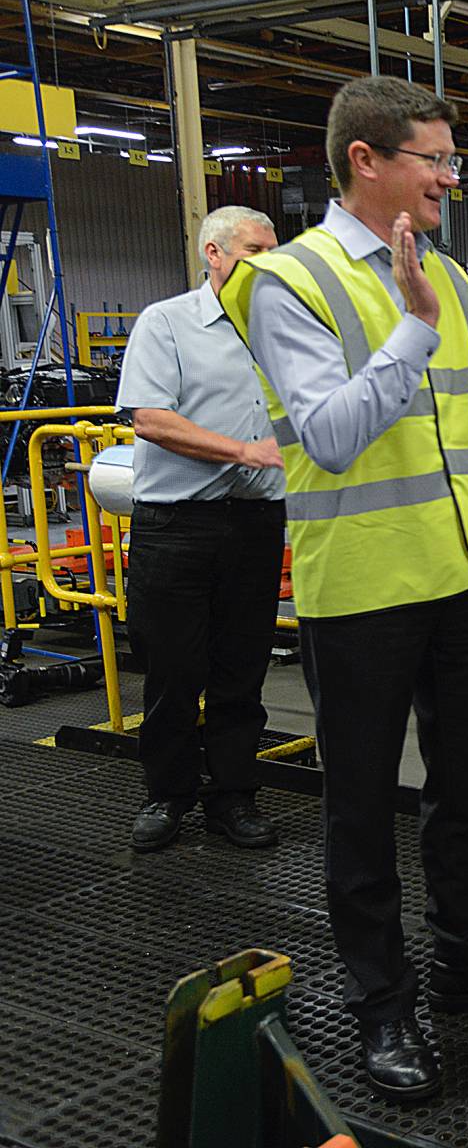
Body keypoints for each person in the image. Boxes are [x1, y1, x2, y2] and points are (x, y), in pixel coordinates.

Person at [220, 76, 468, 1103]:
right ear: (367, 162)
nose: (449, 178)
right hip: (365, 585)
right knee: (361, 807)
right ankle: (382, 1003)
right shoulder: (288, 280)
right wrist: (415, 326)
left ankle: (467, 963)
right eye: (435, 159)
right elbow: (330, 437)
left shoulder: (452, 277)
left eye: (451, 159)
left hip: (464, 568)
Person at [118, 205, 285, 854]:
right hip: (177, 526)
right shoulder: (167, 323)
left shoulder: (283, 331)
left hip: (254, 524)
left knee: (242, 671)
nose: (268, 263)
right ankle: (167, 795)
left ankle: (234, 798)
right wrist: (244, 452)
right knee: (172, 671)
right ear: (213, 254)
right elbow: (151, 419)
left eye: (275, 251)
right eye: (254, 250)